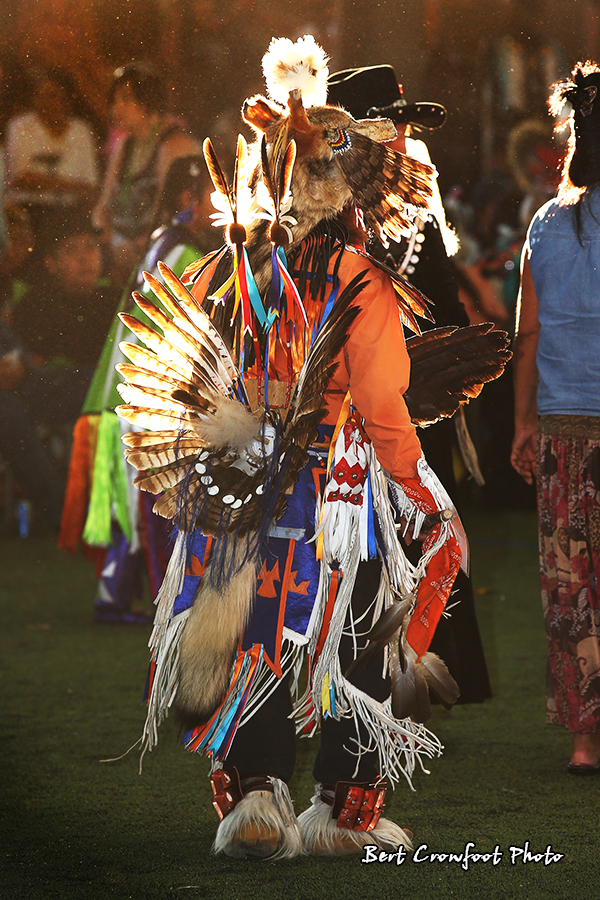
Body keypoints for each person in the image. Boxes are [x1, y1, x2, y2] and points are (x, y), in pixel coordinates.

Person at [118, 36, 509, 859]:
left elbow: (204, 366)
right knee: (358, 634)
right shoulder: (359, 277)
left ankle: (254, 799)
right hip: (339, 493)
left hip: (246, 479)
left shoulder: (235, 266)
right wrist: (419, 487)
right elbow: (377, 399)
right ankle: (340, 809)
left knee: (255, 627)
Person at [327, 64, 492, 704]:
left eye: (403, 123)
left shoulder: (413, 196)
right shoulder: (310, 208)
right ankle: (335, 686)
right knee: (346, 552)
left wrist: (441, 363)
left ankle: (412, 681)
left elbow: (443, 298)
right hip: (335, 416)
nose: (401, 135)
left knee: (421, 541)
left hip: (410, 402)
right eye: (388, 123)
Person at [59, 155, 211, 623]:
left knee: (132, 503)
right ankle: (136, 599)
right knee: (142, 503)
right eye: (216, 194)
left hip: (126, 391)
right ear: (189, 199)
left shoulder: (166, 241)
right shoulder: (184, 251)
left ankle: (117, 596)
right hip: (145, 395)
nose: (228, 203)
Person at [511, 62, 600, 775]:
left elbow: (527, 336)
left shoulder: (543, 225)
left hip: (562, 433)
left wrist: (522, 424)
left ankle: (583, 738)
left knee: (572, 588)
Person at [0, 204, 120, 528]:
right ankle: (64, 507)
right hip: (46, 392)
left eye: (91, 248)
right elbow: (27, 364)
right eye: (72, 250)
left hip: (94, 391)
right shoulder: (35, 303)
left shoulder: (114, 302)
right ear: (50, 264)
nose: (85, 258)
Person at [92, 63, 200, 280]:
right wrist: (109, 242)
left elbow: (173, 217)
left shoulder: (173, 145)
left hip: (160, 255)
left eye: (126, 99)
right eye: (114, 100)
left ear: (148, 100)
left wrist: (131, 248)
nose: (116, 108)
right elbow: (101, 209)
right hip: (120, 251)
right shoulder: (125, 146)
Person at [5, 68, 100, 232]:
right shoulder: (20, 127)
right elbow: (22, 179)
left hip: (70, 214)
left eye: (53, 96)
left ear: (67, 100)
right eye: (40, 95)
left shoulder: (81, 131)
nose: (45, 102)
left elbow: (90, 187)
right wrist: (73, 187)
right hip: (29, 211)